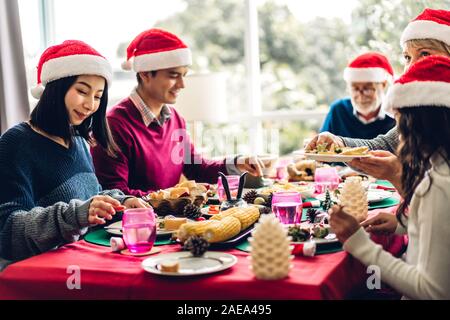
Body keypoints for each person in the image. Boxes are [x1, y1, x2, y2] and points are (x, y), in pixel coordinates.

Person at [0, 40, 148, 264]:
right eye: (82, 91)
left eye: (98, 96)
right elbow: (8, 230)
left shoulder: (78, 140)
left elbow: (91, 198)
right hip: (42, 274)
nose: (90, 105)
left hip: (85, 261)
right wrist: (76, 215)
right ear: (55, 88)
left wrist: (121, 202)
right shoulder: (16, 142)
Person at [329, 55, 450, 299]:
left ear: (418, 125)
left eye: (400, 122)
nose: (397, 135)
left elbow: (432, 290)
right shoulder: (440, 168)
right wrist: (403, 224)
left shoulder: (439, 184)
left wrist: (358, 242)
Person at [91, 29, 263, 198]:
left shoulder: (175, 119)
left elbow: (197, 168)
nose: (182, 84)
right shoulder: (113, 124)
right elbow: (114, 195)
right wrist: (173, 196)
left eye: (184, 76)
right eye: (173, 75)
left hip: (170, 222)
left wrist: (238, 162)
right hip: (133, 225)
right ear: (144, 74)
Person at [307, 8, 450, 191]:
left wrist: (397, 176)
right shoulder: (422, 110)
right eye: (407, 57)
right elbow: (383, 146)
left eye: (425, 54)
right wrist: (340, 144)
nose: (411, 66)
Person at [320, 52, 395, 139]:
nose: (361, 95)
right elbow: (322, 146)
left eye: (367, 89)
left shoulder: (395, 114)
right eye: (355, 89)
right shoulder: (338, 110)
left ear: (383, 84)